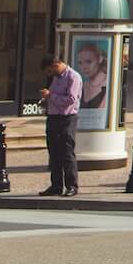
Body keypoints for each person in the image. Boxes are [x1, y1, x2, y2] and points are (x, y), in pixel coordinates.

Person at [37, 53, 81, 197]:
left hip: (67, 118)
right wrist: (46, 101)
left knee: (67, 153)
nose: (50, 75)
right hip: (53, 117)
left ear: (55, 65)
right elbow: (55, 97)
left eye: (50, 71)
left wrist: (50, 96)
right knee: (54, 153)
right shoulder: (56, 78)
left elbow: (71, 99)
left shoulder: (73, 77)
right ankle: (56, 186)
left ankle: (72, 186)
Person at [75, 41, 109, 112]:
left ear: (100, 59)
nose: (83, 67)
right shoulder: (84, 85)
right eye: (80, 63)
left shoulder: (108, 83)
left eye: (88, 62)